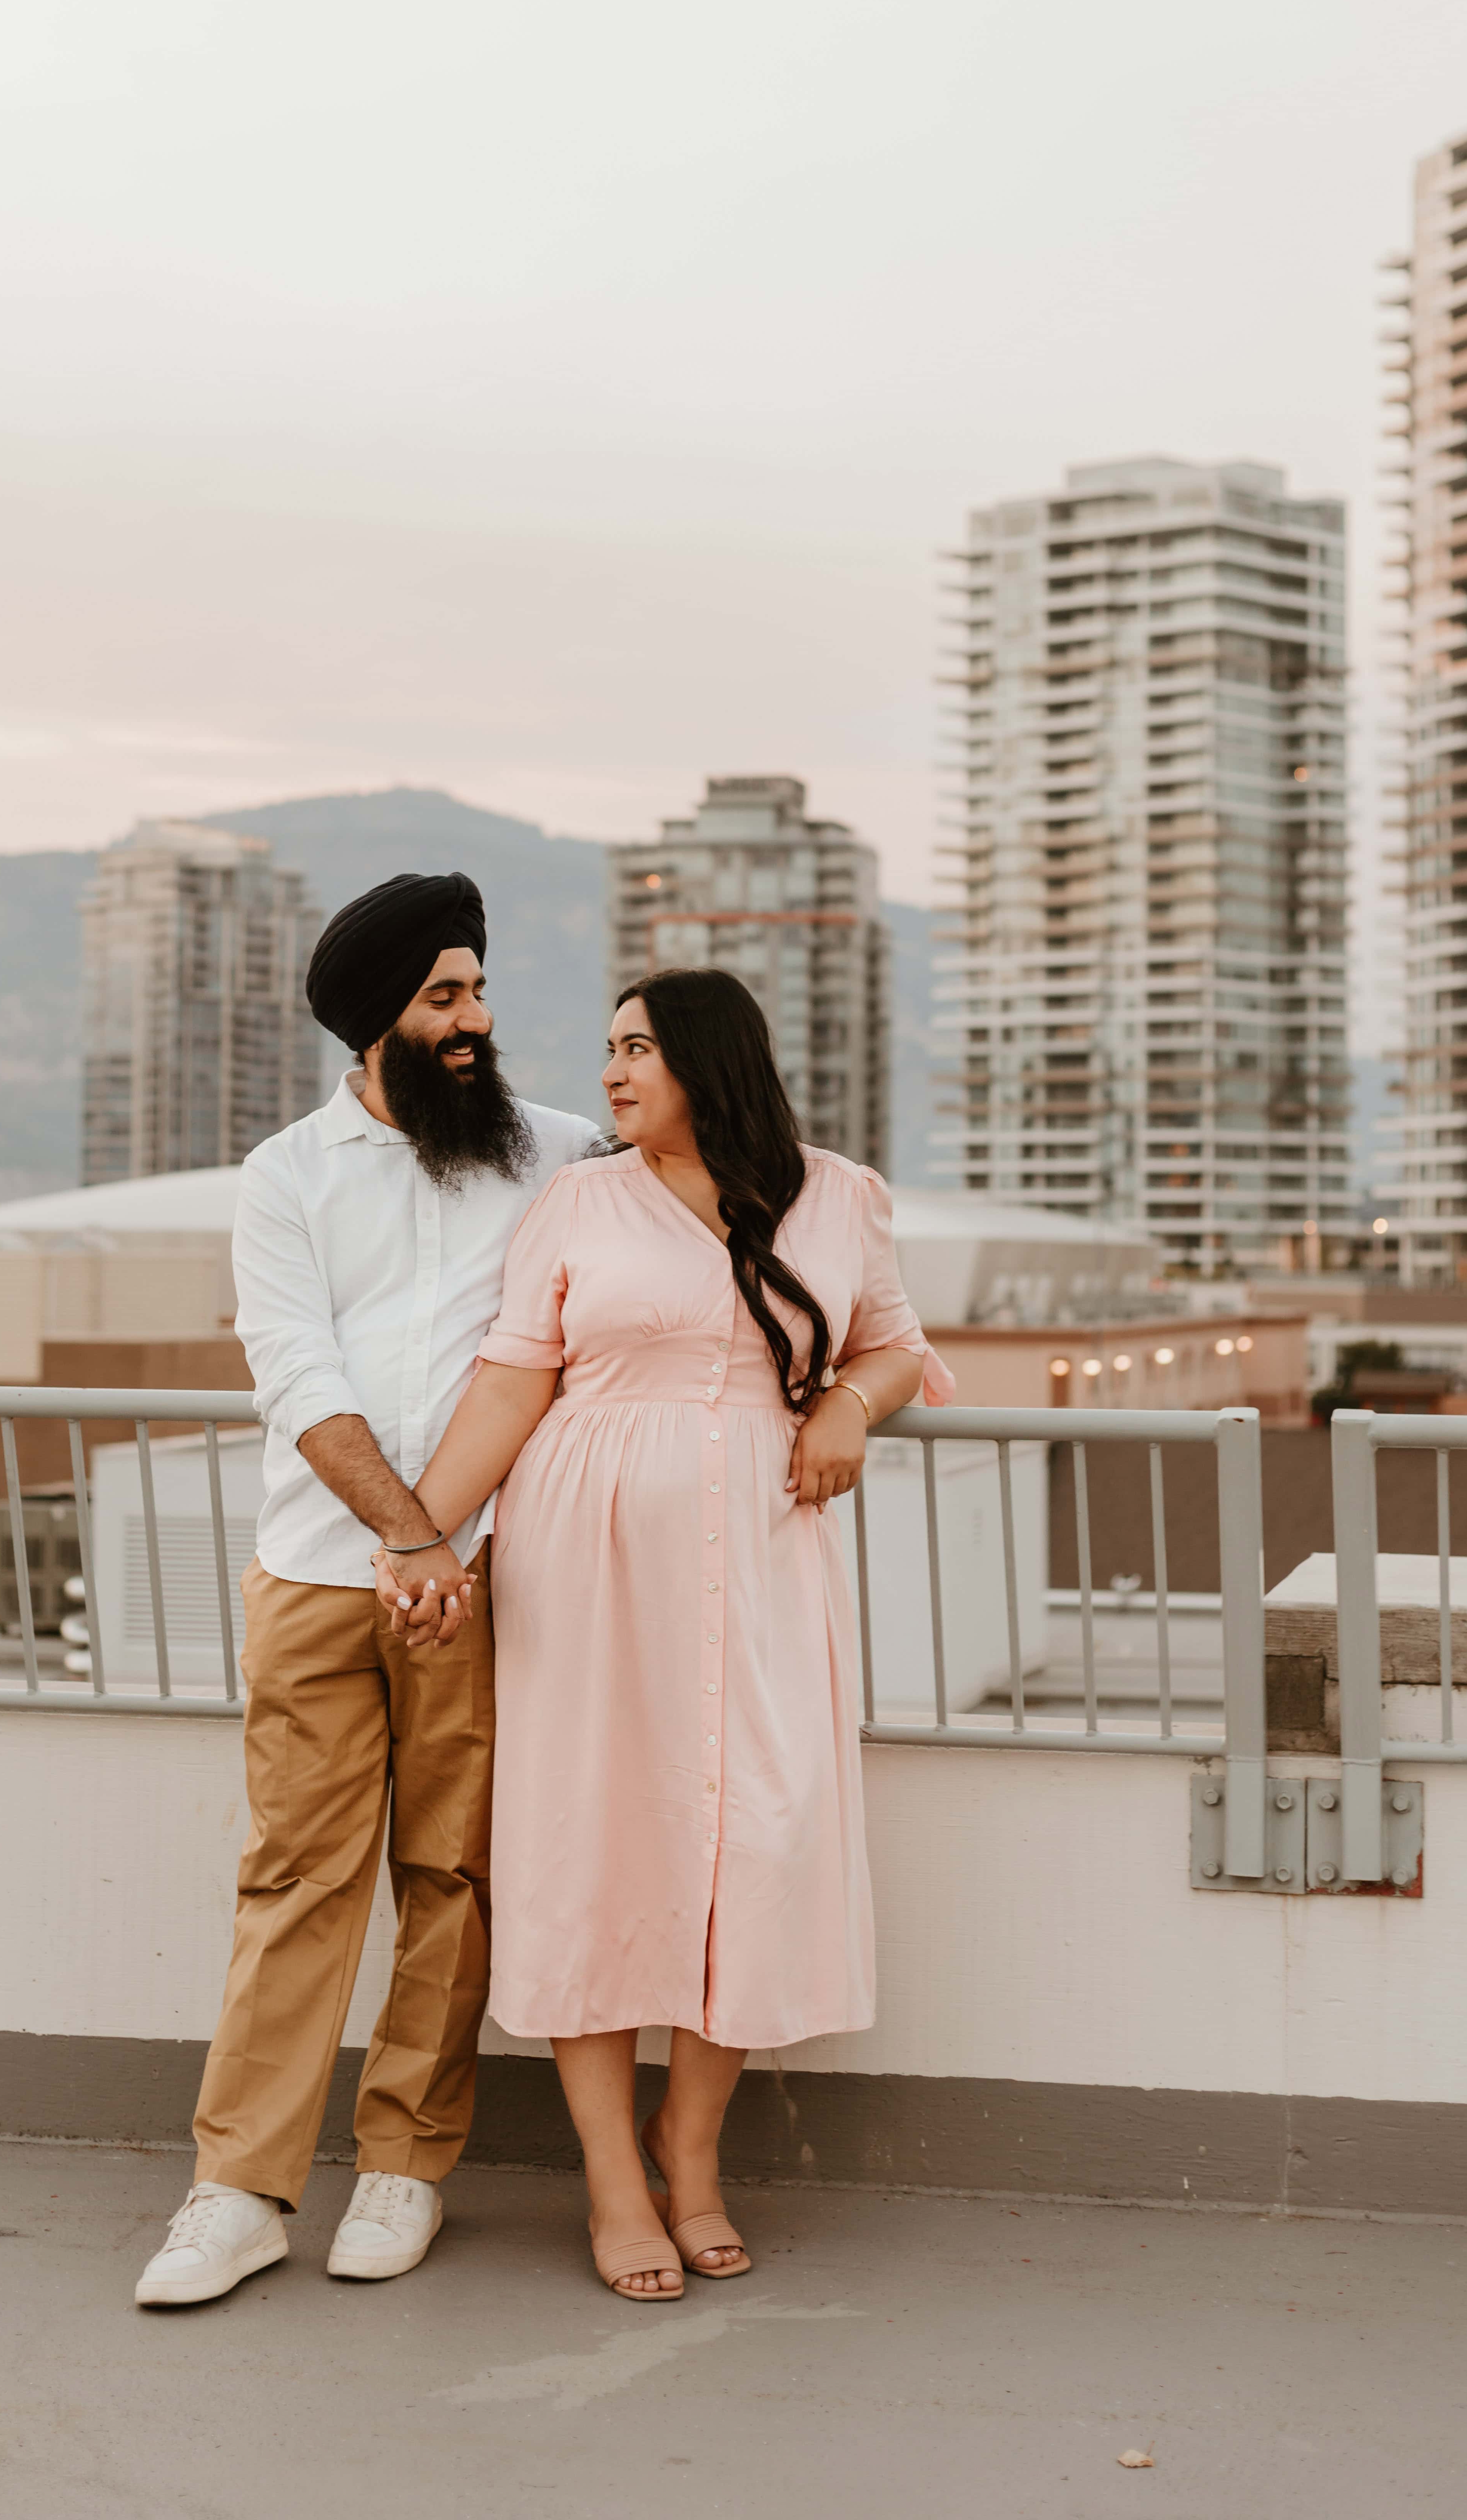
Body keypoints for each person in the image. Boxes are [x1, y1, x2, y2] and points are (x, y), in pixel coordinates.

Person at [408, 967, 950, 2301]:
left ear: (710, 1059)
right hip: (589, 1570)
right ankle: (613, 2185)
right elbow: (510, 1383)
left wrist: (846, 1412)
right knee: (597, 1846)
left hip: (766, 1570)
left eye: (637, 1048)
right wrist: (420, 1536)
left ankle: (689, 2153)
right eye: (606, 1050)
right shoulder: (578, 1203)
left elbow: (892, 1347)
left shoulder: (840, 1196)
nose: (610, 1075)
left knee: (754, 1843)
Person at [135, 870, 600, 2309]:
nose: (476, 1021)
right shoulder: (288, 1174)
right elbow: (298, 1376)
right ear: (375, 1024)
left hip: (487, 1587)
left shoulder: (564, 1156)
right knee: (294, 1881)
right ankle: (239, 2193)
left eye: (477, 991)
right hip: (324, 1577)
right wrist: (411, 1542)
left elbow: (733, 1182)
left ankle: (406, 2167)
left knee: (451, 1881)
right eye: (443, 998)